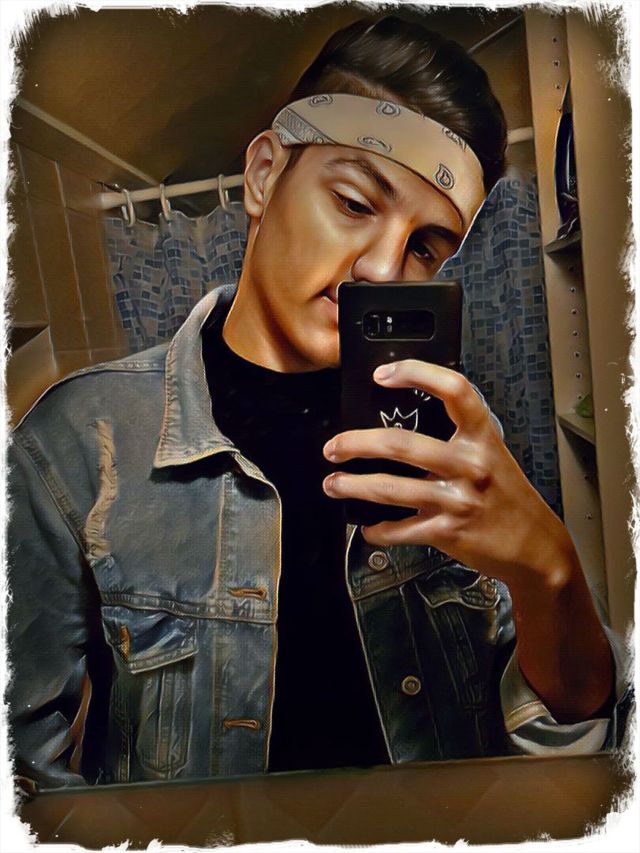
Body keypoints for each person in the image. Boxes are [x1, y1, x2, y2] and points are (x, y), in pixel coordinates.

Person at [7, 16, 627, 791]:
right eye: (355, 203)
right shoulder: (77, 440)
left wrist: (552, 574)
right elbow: (25, 783)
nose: (381, 269)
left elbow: (565, 749)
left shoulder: (452, 433)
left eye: (425, 246)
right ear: (265, 175)